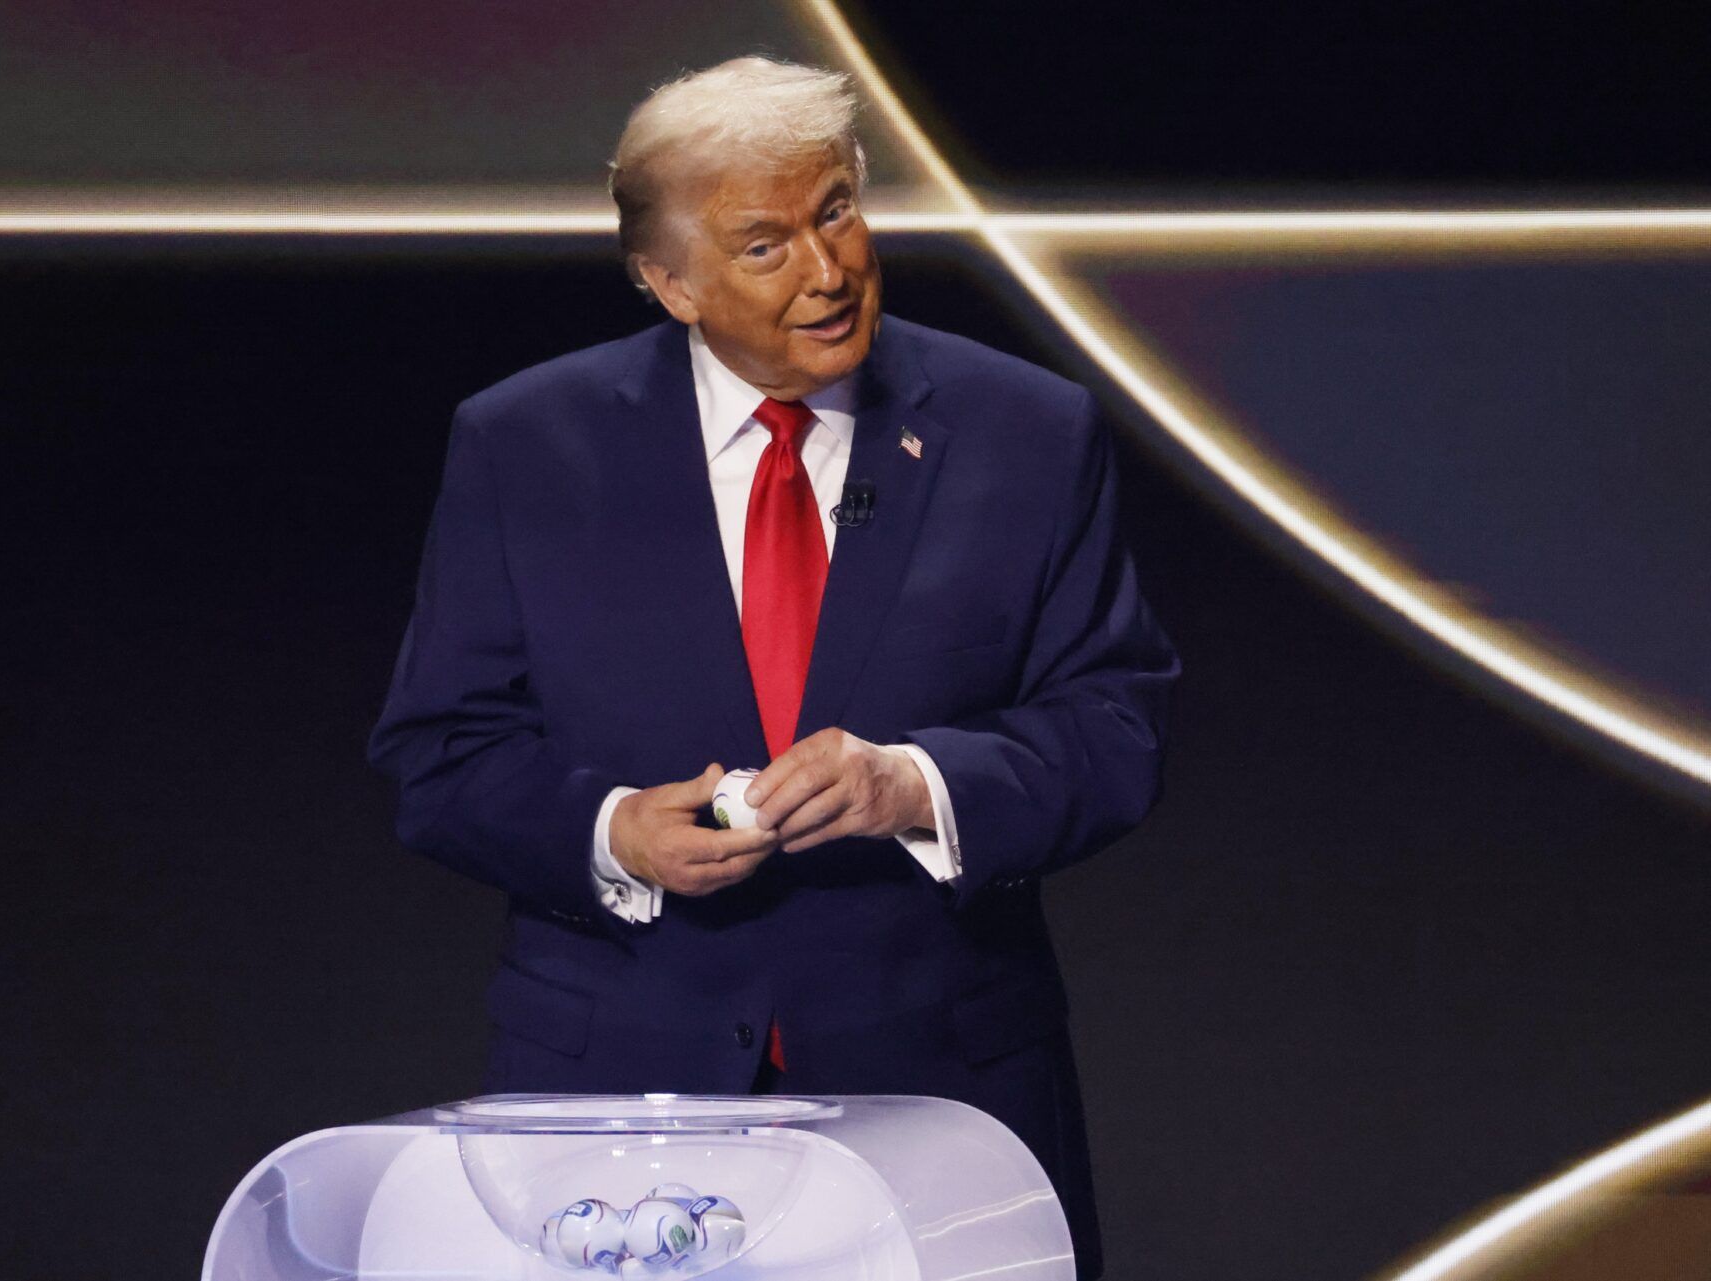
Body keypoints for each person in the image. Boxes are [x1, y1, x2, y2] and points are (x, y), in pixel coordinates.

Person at [368, 55, 1179, 1279]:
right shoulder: (526, 445)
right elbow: (438, 753)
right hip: (616, 1108)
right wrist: (615, 836)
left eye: (837, 212)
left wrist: (913, 786)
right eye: (764, 246)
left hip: (941, 1104)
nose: (827, 271)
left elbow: (1117, 726)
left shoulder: (1026, 430)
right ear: (668, 281)